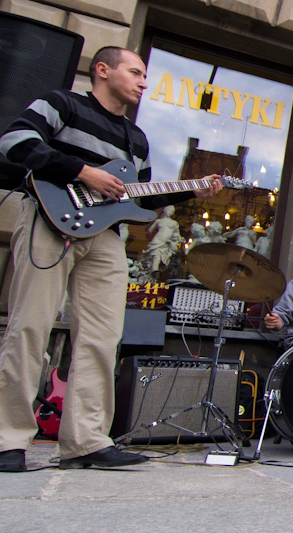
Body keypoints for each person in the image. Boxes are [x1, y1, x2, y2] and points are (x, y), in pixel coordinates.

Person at [0, 46, 222, 472]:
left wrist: (193, 190)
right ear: (103, 70)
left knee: (103, 337)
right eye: (136, 72)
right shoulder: (61, 103)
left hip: (105, 239)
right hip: (50, 222)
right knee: (29, 326)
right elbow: (14, 140)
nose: (143, 81)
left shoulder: (136, 138)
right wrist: (82, 172)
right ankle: (8, 439)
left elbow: (137, 198)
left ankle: (86, 440)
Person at [143, 205, 181, 273]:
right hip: (157, 241)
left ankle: (154, 275)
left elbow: (177, 234)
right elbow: (150, 230)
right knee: (156, 258)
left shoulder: (174, 223)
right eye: (168, 210)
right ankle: (154, 276)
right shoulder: (158, 221)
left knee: (162, 261)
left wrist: (177, 239)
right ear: (164, 210)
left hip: (166, 243)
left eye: (171, 211)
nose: (170, 212)